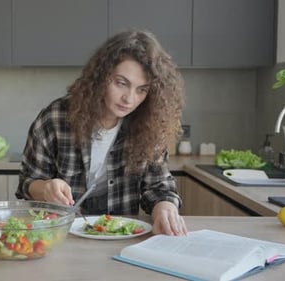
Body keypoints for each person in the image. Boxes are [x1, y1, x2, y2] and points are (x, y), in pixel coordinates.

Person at [15, 29, 187, 236]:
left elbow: (158, 187)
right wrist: (46, 188)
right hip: (60, 235)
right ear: (101, 77)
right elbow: (27, 182)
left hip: (119, 235)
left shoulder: (149, 124)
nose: (129, 99)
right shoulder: (56, 118)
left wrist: (165, 209)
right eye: (121, 83)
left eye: (142, 89)